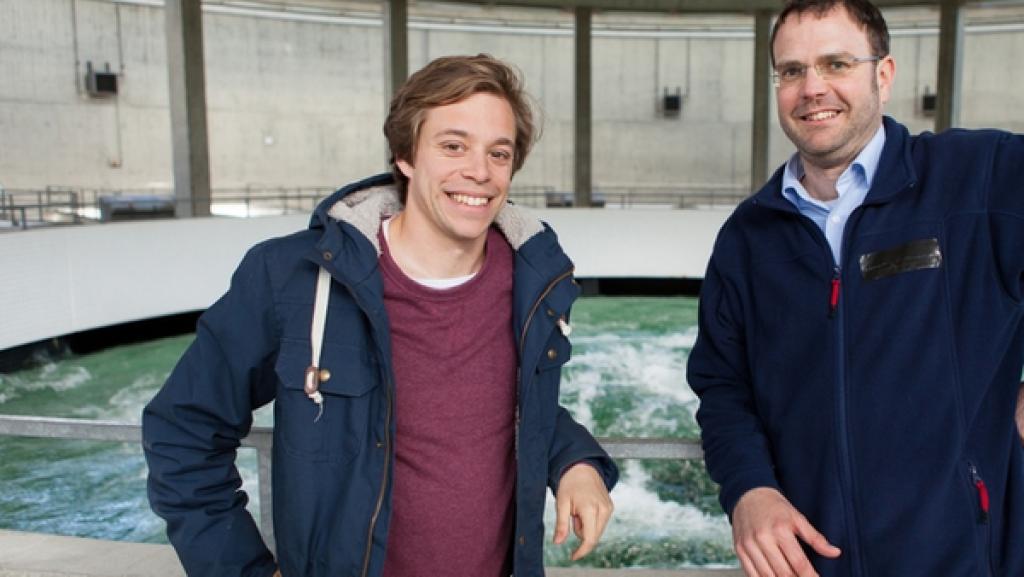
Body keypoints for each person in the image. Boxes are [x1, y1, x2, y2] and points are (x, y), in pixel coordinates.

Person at [142, 54, 617, 577]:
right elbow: (182, 428)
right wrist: (242, 569)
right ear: (406, 156)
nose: (478, 172)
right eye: (453, 146)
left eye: (498, 153)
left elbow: (500, 408)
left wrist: (575, 462)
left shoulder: (535, 279)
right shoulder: (290, 277)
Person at [687, 1, 1024, 576]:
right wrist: (749, 491)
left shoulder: (980, 177)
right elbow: (722, 386)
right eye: (792, 71)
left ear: (883, 75)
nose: (811, 88)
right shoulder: (747, 238)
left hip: (967, 559)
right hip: (813, 564)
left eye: (836, 63)